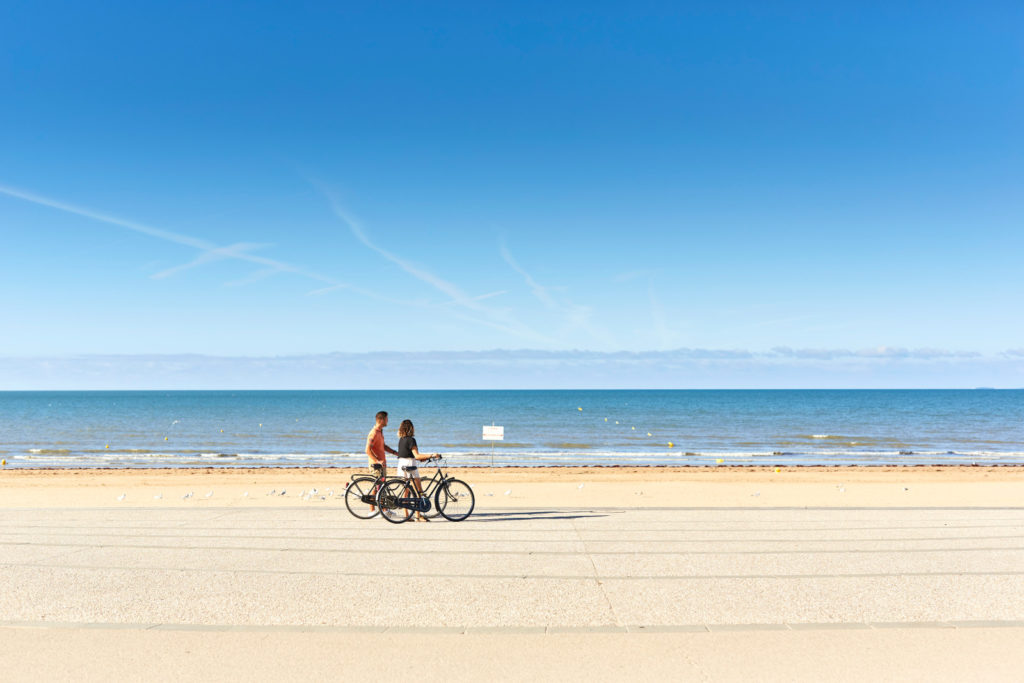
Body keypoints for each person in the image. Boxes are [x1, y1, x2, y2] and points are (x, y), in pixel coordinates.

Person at [396, 419, 439, 522]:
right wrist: (432, 455)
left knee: (406, 492)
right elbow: (416, 455)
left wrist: (423, 458)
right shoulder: (411, 440)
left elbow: (407, 454)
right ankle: (418, 515)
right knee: (419, 491)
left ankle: (407, 515)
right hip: (410, 465)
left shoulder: (401, 440)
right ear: (411, 428)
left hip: (401, 465)